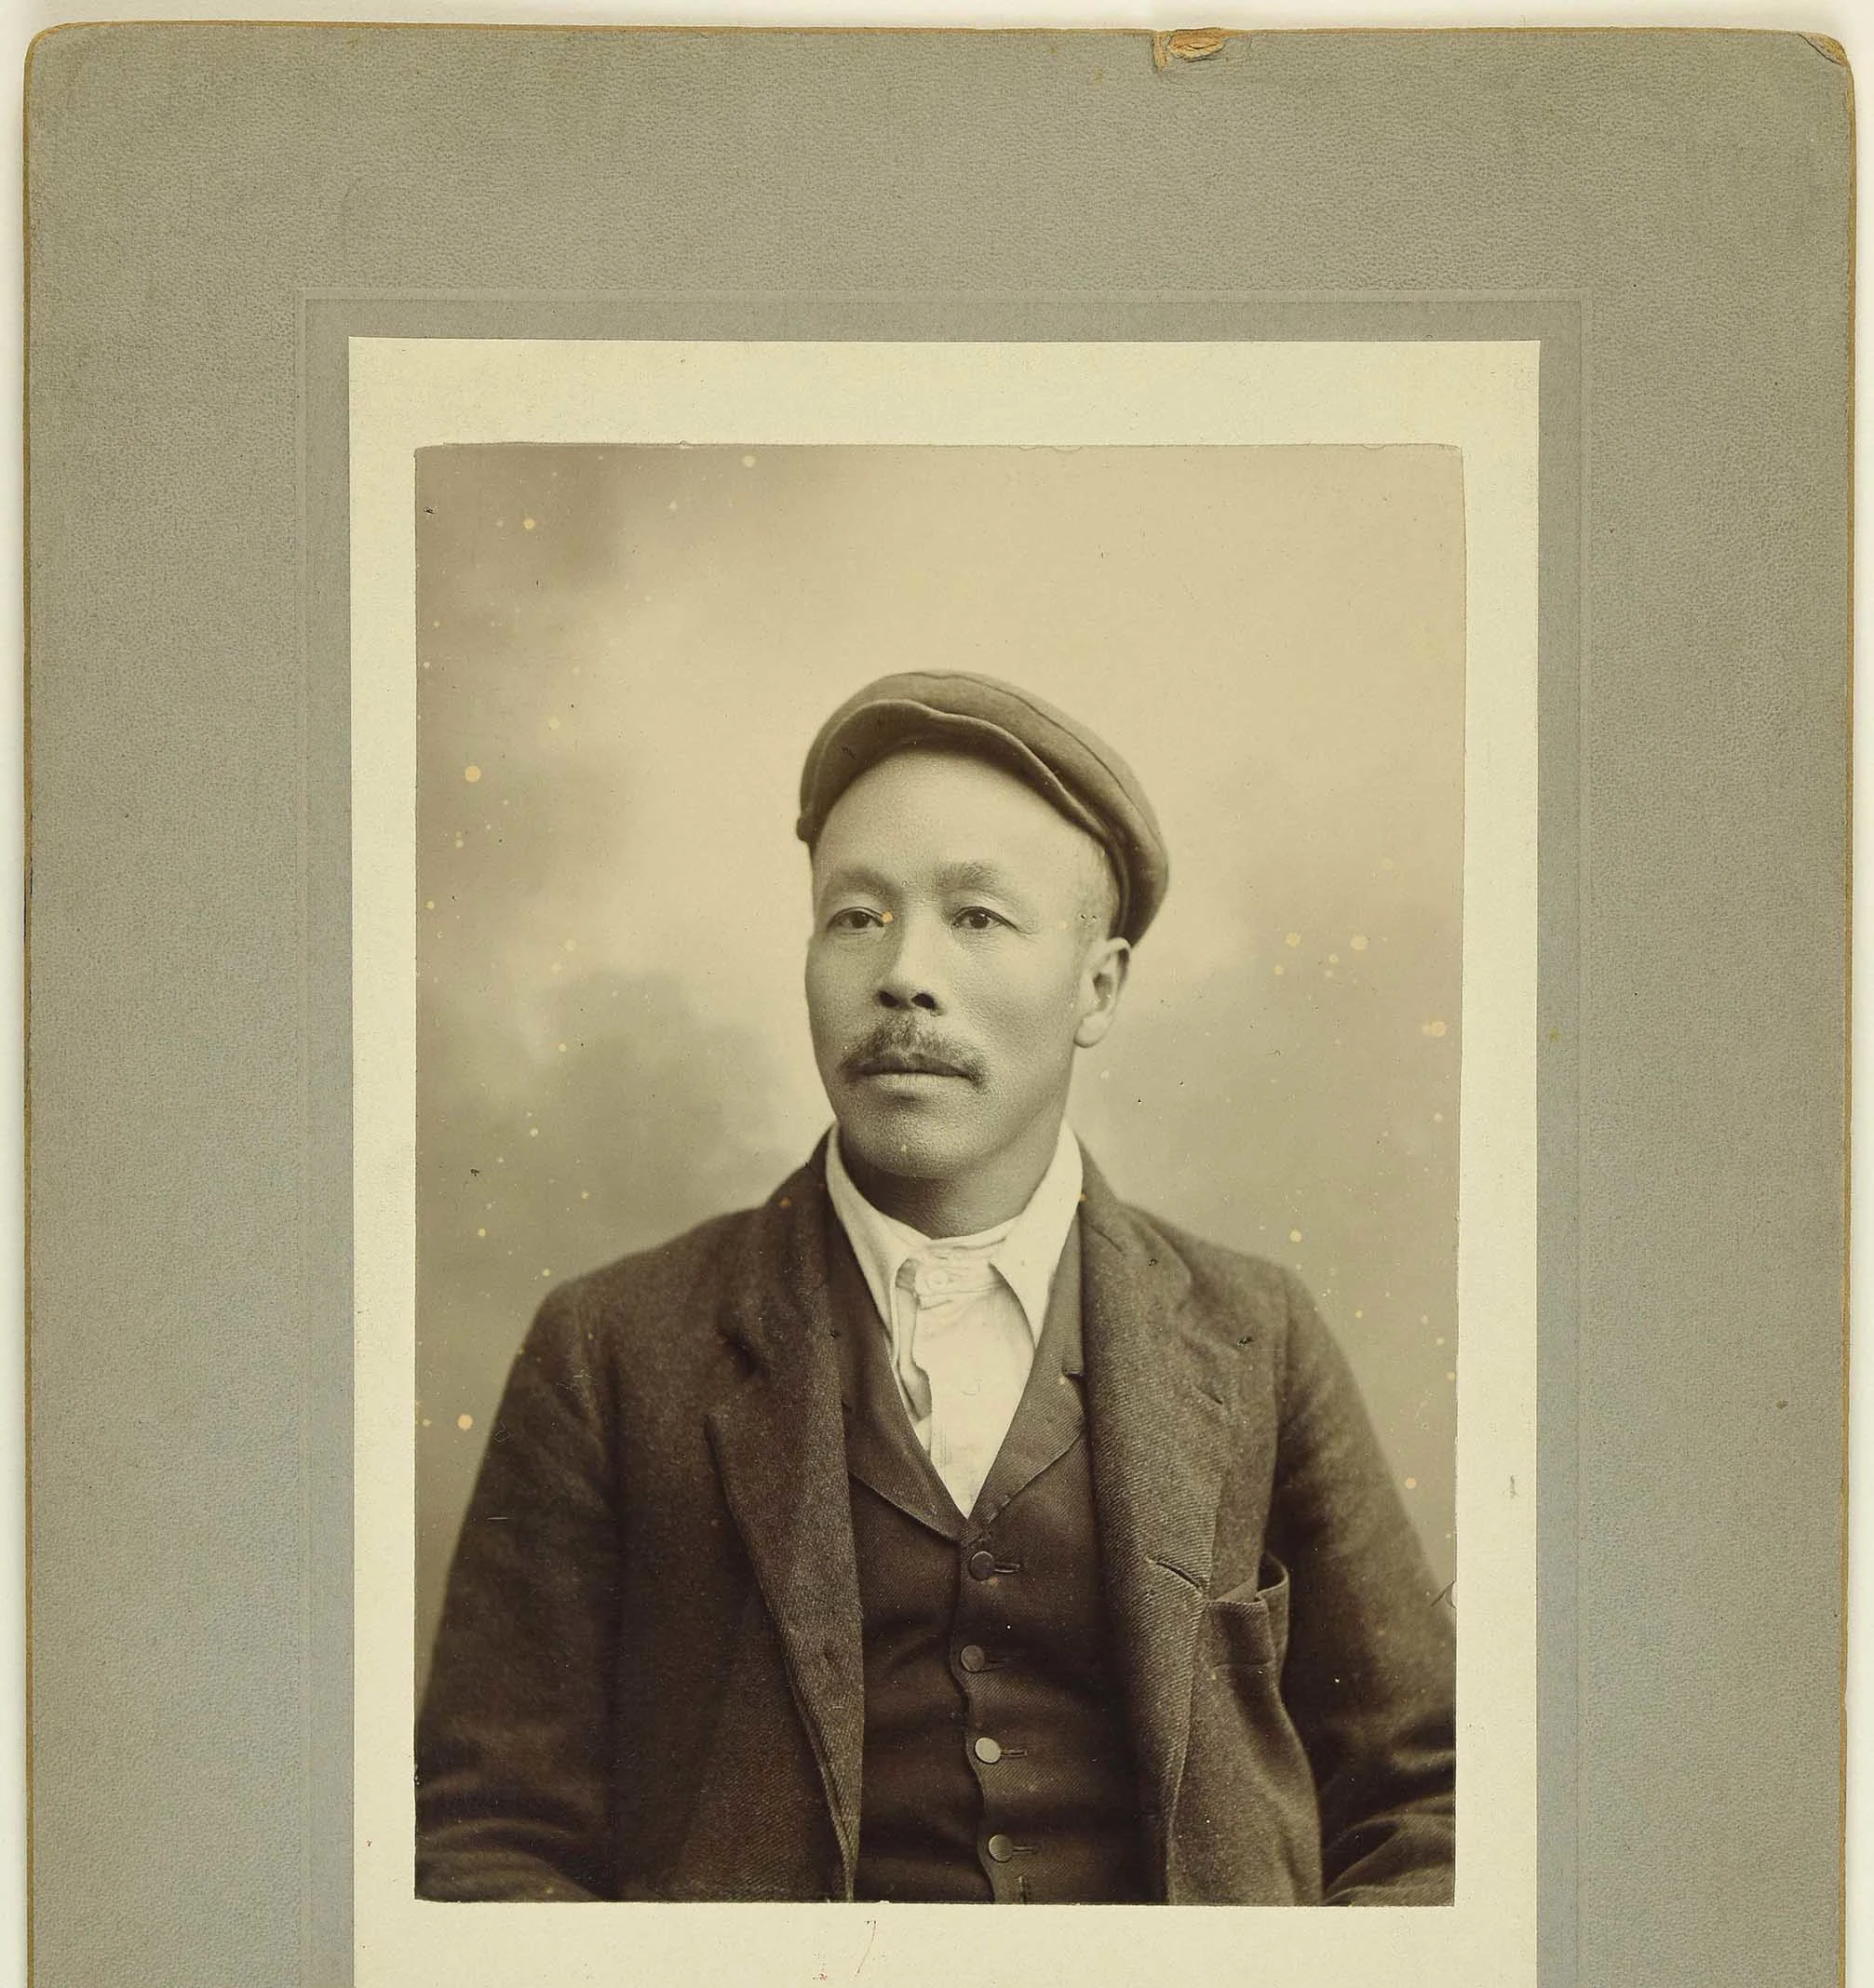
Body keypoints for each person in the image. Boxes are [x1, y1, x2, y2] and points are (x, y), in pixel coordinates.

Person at [415, 669, 1456, 1905]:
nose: (904, 974)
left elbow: (1427, 1803)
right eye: (855, 917)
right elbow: (490, 1844)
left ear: (1099, 990)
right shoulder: (611, 1350)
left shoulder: (1255, 1335)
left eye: (976, 919)